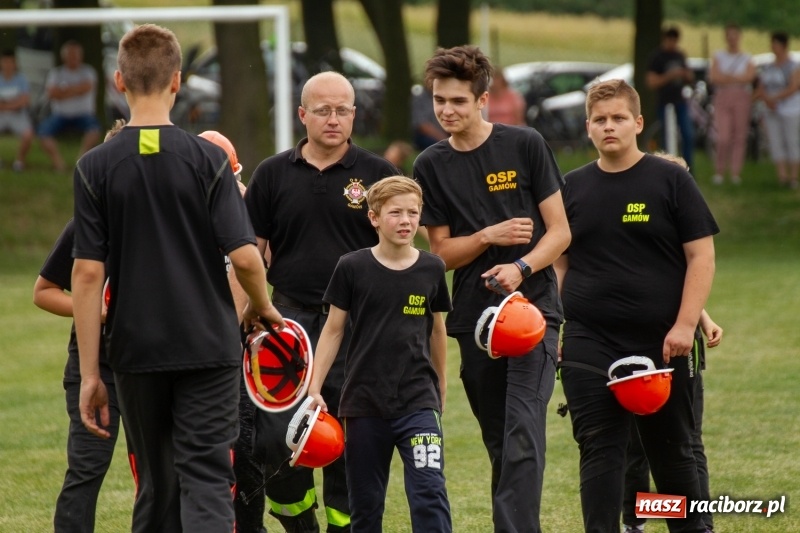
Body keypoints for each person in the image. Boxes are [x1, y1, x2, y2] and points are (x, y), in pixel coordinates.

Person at [71, 23, 283, 533]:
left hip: (136, 349)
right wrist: (262, 306)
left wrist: (92, 374)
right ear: (178, 81)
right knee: (207, 478)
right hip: (208, 345)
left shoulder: (94, 167)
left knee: (157, 484)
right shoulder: (209, 159)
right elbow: (246, 257)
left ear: (119, 81)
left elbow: (86, 274)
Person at [413, 45, 571, 533]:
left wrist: (521, 267)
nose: (446, 111)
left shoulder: (525, 144)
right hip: (474, 320)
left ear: (483, 100)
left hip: (534, 311)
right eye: (439, 100)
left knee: (523, 429)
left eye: (458, 101)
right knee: (502, 442)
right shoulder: (430, 164)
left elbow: (560, 232)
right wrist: (487, 237)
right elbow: (440, 255)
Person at [554, 79, 718, 533]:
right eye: (600, 120)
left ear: (638, 123)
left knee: (671, 450)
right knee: (599, 447)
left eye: (619, 118)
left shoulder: (671, 180)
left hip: (661, 341)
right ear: (588, 127)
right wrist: (555, 329)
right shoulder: (570, 187)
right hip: (588, 340)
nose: (609, 127)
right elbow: (560, 264)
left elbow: (701, 257)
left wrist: (685, 325)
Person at [242, 70, 400, 533]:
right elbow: (251, 254)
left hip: (358, 326)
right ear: (302, 114)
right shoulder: (271, 174)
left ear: (354, 115)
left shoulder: (378, 175)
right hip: (286, 322)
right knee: (275, 438)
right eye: (323, 110)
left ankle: (343, 527)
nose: (333, 119)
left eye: (342, 110)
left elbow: (399, 253)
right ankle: (299, 525)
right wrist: (247, 310)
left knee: (350, 436)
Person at [308, 175, 452, 532]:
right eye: (395, 213)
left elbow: (437, 330)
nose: (406, 221)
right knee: (366, 505)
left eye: (413, 213)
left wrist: (441, 384)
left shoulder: (432, 267)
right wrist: (314, 387)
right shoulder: (352, 267)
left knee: (430, 492)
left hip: (418, 402)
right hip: (363, 404)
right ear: (373, 217)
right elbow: (333, 330)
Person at [30, 118, 126, 533]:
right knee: (87, 468)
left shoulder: (163, 225)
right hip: (96, 366)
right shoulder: (86, 226)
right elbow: (43, 291)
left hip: (153, 365)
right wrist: (94, 312)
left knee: (160, 472)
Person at [38, 40, 101, 172]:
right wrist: (76, 90)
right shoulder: (56, 73)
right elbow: (52, 93)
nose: (73, 58)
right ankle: (58, 163)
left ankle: (81, 161)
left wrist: (63, 92)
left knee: (94, 130)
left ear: (81, 56)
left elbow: (86, 87)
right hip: (60, 115)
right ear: (64, 57)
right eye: (70, 55)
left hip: (84, 115)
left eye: (76, 54)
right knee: (43, 132)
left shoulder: (88, 71)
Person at [708, 23, 756, 185]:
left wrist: (728, 77)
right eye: (729, 35)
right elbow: (714, 77)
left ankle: (736, 172)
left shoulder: (747, 57)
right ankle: (719, 171)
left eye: (735, 35)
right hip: (723, 97)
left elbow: (749, 77)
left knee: (739, 135)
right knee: (723, 136)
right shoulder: (718, 56)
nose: (732, 38)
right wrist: (736, 78)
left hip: (741, 97)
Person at [754, 31, 800, 189]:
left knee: (791, 141)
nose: (773, 46)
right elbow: (761, 87)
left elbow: (793, 87)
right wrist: (767, 100)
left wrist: (774, 98)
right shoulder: (768, 67)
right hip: (771, 110)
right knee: (776, 142)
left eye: (776, 43)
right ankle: (782, 176)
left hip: (790, 109)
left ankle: (793, 176)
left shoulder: (794, 66)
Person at [646, 26, 696, 171]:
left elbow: (690, 76)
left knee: (688, 134)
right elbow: (651, 82)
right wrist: (670, 76)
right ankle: (667, 167)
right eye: (670, 40)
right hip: (664, 102)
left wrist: (685, 75)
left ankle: (687, 167)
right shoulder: (657, 57)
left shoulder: (680, 56)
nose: (672, 43)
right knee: (667, 136)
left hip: (680, 101)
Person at [0, 48, 34, 172]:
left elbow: (25, 100)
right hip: (2, 115)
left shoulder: (21, 79)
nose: (8, 65)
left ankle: (19, 161)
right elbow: (19, 101)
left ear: (15, 63)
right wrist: (14, 103)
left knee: (28, 134)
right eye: (5, 62)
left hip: (18, 115)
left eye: (10, 62)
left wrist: (5, 105)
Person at [411, 84, 448, 151]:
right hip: (426, 137)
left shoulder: (446, 96)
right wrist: (444, 139)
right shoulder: (419, 98)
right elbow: (422, 125)